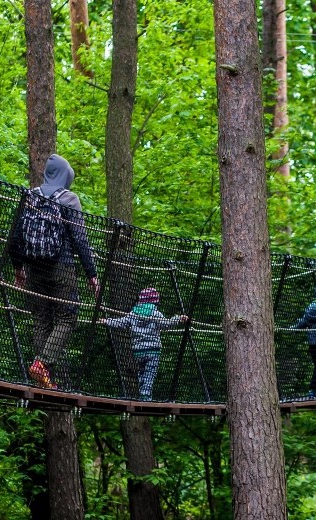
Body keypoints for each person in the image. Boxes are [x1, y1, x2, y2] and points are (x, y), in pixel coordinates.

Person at [12, 154, 99, 390]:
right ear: (65, 175)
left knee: (41, 319)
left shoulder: (30, 196)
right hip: (61, 266)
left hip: (33, 266)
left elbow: (16, 235)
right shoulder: (69, 199)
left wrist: (18, 268)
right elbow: (79, 238)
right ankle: (42, 364)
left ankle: (43, 377)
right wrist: (91, 273)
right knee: (67, 318)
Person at [98, 288, 188, 401]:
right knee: (150, 374)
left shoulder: (133, 314)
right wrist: (178, 319)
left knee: (141, 373)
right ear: (155, 302)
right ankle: (146, 398)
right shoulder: (155, 313)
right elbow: (167, 324)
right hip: (153, 351)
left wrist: (107, 321)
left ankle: (142, 394)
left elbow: (121, 322)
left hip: (138, 351)